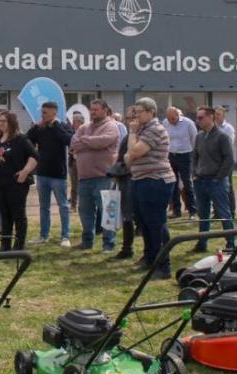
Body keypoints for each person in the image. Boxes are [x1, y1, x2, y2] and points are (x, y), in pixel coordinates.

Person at [126, 97, 176, 278]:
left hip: (156, 180)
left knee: (156, 224)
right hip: (140, 179)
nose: (136, 116)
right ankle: (150, 258)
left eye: (139, 112)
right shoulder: (143, 130)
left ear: (150, 112)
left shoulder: (154, 129)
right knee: (144, 223)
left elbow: (135, 152)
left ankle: (164, 265)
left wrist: (132, 134)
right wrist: (132, 151)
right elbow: (128, 157)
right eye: (135, 112)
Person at [0, 111, 38, 251]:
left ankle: (19, 245)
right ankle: (5, 244)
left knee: (18, 215)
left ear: (12, 122)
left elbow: (34, 156)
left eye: (4, 121)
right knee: (5, 214)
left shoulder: (21, 139)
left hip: (16, 184)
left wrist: (25, 172)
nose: (0, 123)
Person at [70, 100, 119, 251]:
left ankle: (108, 244)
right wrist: (89, 143)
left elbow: (102, 142)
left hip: (105, 177)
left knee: (108, 212)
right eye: (91, 110)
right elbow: (73, 143)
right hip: (84, 178)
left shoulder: (112, 126)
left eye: (96, 110)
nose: (92, 112)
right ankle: (87, 242)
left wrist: (84, 141)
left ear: (105, 110)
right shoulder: (84, 127)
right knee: (85, 212)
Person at [27, 101, 74, 247]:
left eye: (45, 113)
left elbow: (69, 140)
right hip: (42, 173)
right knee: (44, 206)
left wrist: (55, 125)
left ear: (54, 113)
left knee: (63, 206)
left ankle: (65, 236)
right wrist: (34, 127)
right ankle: (44, 235)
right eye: (42, 113)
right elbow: (26, 140)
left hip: (58, 174)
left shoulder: (62, 126)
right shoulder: (40, 128)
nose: (42, 115)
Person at [192, 106, 236, 252]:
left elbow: (229, 159)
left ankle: (230, 243)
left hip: (216, 181)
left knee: (224, 213)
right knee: (203, 214)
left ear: (210, 117)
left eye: (200, 118)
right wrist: (194, 173)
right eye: (197, 118)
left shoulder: (222, 136)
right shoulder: (199, 136)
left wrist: (219, 177)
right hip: (201, 180)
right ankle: (202, 243)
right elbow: (195, 156)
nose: (198, 121)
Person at [163, 106, 197, 219]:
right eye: (168, 119)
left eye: (172, 118)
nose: (171, 121)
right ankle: (176, 210)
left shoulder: (188, 123)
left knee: (187, 183)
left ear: (178, 115)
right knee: (173, 183)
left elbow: (194, 139)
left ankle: (192, 210)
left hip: (185, 155)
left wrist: (192, 154)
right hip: (171, 155)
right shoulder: (165, 123)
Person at [112, 107, 136, 260]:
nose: (129, 122)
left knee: (141, 216)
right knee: (127, 215)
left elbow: (132, 157)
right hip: (125, 179)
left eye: (133, 118)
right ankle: (127, 247)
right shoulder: (126, 137)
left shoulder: (142, 137)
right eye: (127, 118)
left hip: (137, 179)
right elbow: (122, 158)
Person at [213, 106, 237, 216]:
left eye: (218, 114)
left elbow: (228, 144)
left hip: (226, 162)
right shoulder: (212, 128)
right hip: (214, 161)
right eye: (215, 114)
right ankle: (217, 212)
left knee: (228, 186)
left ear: (223, 116)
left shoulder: (228, 128)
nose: (216, 116)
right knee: (215, 187)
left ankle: (231, 211)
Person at [68, 112, 84, 210]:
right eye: (72, 121)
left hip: (83, 162)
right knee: (74, 185)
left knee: (82, 184)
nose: (73, 123)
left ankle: (82, 205)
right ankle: (73, 205)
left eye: (75, 121)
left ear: (80, 122)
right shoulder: (71, 133)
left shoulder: (86, 131)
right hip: (73, 161)